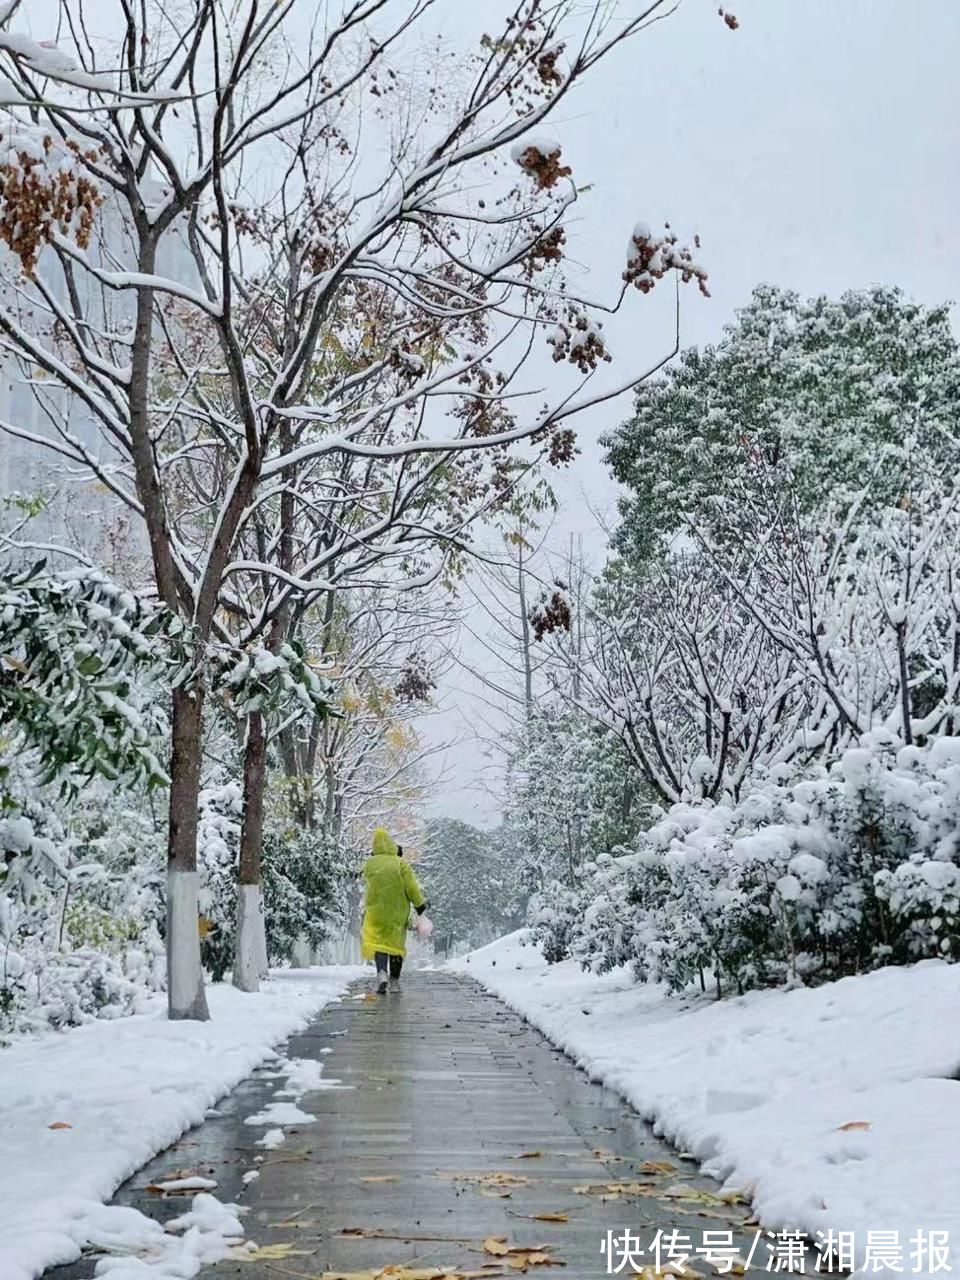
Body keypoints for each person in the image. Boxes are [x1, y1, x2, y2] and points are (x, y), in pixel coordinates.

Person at [360, 828, 428, 995]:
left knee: (379, 943)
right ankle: (395, 982)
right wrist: (420, 905)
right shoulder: (400, 863)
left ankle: (381, 973)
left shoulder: (370, 864)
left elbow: (366, 885)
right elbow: (411, 887)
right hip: (397, 912)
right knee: (396, 945)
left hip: (376, 912)